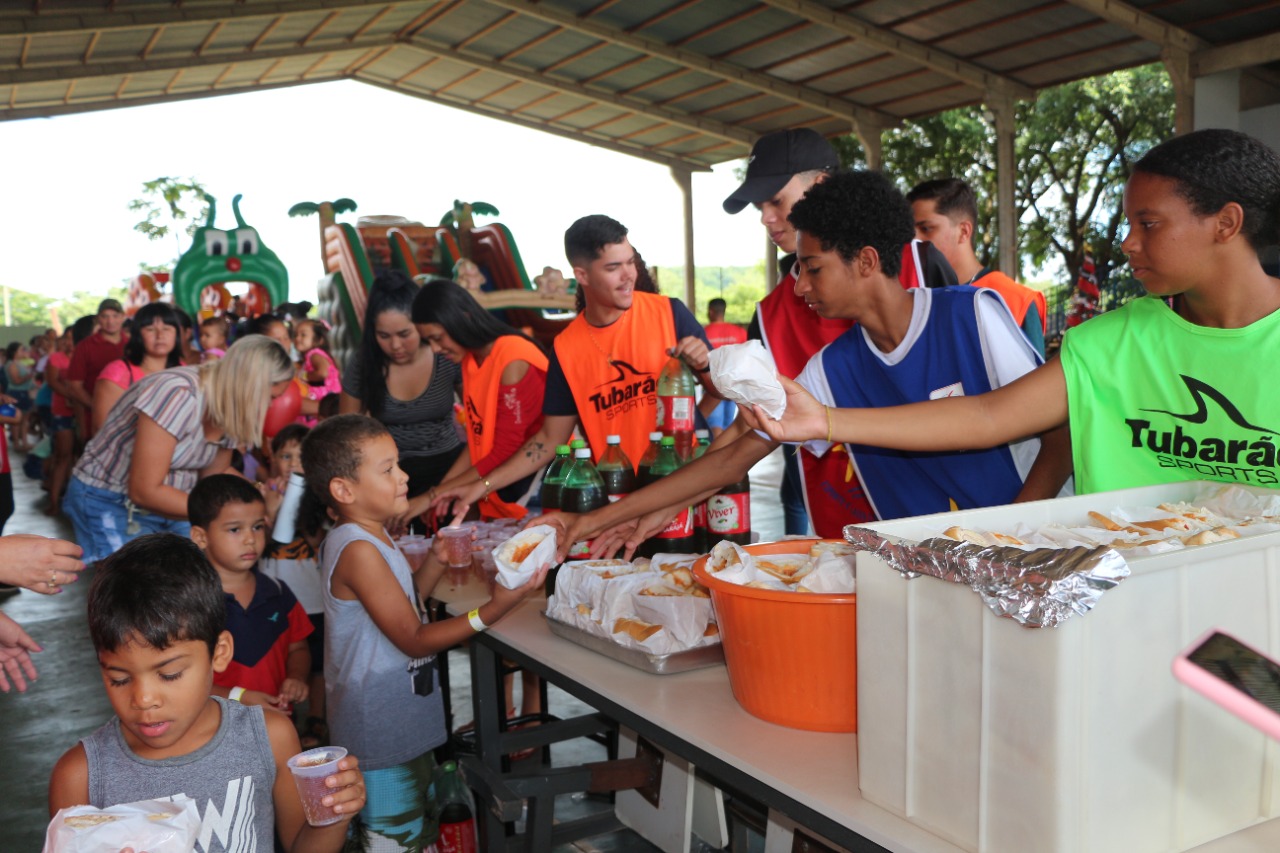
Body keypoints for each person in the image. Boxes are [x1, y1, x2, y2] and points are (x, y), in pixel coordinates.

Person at [553, 170, 1069, 558]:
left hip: (1027, 551)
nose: (799, 288)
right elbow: (731, 457)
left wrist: (1014, 533)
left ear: (866, 262)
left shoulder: (971, 315)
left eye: (813, 269)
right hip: (929, 570)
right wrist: (609, 516)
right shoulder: (830, 369)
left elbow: (1061, 433)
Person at [746, 129, 1280, 497]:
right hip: (1130, 620)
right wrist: (827, 421)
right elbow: (987, 415)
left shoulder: (979, 309)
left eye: (1149, 224)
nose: (1127, 243)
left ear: (1225, 224)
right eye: (1128, 224)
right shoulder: (1108, 343)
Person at [302, 414, 545, 851]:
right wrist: (493, 609)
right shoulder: (357, 548)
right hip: (380, 737)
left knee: (416, 834)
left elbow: (401, 602)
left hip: (400, 726)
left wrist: (434, 558)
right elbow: (411, 636)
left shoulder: (371, 536)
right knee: (396, 839)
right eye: (388, 469)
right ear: (344, 490)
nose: (404, 476)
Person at [47, 534, 366, 850]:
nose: (144, 699)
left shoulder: (269, 737)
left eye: (169, 674)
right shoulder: (80, 778)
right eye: (118, 678)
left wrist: (333, 817)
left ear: (220, 652)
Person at [722, 128, 959, 537]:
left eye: (776, 200)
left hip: (948, 516)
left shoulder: (923, 268)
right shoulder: (770, 315)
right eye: (759, 206)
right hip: (844, 533)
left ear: (821, 187)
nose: (765, 217)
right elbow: (749, 427)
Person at [433, 215, 717, 517]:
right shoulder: (566, 347)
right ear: (582, 275)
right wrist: (483, 485)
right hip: (620, 499)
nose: (628, 275)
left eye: (630, 262)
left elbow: (721, 391)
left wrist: (706, 365)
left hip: (689, 487)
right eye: (613, 267)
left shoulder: (669, 313)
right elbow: (547, 440)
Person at [63, 335, 295, 562]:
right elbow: (145, 491)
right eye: (270, 397)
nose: (270, 405)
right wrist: (236, 514)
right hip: (110, 499)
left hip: (176, 498)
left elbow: (212, 479)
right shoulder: (178, 393)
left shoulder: (233, 407)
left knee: (194, 578)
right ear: (251, 385)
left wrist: (257, 495)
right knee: (138, 588)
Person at [406, 279, 548, 522]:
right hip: (499, 484)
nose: (435, 349)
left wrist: (432, 496)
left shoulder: (512, 357)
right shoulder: (471, 359)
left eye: (438, 337)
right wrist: (441, 493)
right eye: (428, 341)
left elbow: (506, 449)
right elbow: (478, 441)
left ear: (462, 318)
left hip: (534, 488)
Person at [339, 270, 465, 509]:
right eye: (384, 335)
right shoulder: (364, 362)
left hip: (449, 472)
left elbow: (481, 420)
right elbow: (346, 434)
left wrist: (439, 494)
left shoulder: (445, 355)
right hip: (387, 475)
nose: (395, 345)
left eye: (404, 334)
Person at [189, 474, 312, 716]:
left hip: (278, 723)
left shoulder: (277, 591)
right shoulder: (188, 604)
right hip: (216, 729)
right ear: (201, 537)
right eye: (235, 529)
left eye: (257, 527)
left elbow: (299, 648)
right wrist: (239, 697)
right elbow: (179, 681)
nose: (250, 539)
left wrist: (296, 677)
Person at [908, 177, 1048, 355]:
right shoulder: (912, 300)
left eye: (926, 229)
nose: (914, 240)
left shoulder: (1012, 300)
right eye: (910, 232)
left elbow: (1036, 381)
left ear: (964, 231)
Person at [260, 423, 330, 746]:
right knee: (280, 658)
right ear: (271, 457)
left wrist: (302, 497)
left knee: (318, 663)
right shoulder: (263, 495)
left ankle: (316, 720)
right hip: (275, 599)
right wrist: (273, 506)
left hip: (312, 599)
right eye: (286, 456)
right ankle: (280, 720)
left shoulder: (317, 499)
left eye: (301, 457)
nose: (293, 464)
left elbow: (316, 538)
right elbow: (269, 538)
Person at [92, 301, 183, 434]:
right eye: (150, 330)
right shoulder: (117, 374)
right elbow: (102, 431)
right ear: (138, 335)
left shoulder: (183, 369)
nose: (160, 336)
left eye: (167, 329)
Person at [66, 298, 128, 441]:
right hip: (96, 420)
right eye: (105, 316)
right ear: (98, 319)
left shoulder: (132, 344)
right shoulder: (85, 346)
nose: (110, 321)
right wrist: (99, 406)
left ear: (122, 317)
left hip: (130, 417)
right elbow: (74, 386)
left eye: (115, 316)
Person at [42, 324, 82, 516]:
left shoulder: (81, 357)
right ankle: (54, 501)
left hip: (81, 412)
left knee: (78, 458)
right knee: (63, 456)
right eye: (66, 338)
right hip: (63, 412)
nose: (69, 342)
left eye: (72, 337)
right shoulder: (56, 358)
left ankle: (70, 501)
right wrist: (75, 395)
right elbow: (52, 382)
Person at [702, 297, 747, 436]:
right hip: (733, 383)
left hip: (712, 384)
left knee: (715, 424)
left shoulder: (703, 332)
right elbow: (745, 358)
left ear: (710, 312)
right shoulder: (739, 332)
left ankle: (716, 455)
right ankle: (725, 453)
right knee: (728, 424)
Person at [293, 318, 342, 427]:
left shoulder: (314, 354)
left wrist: (304, 376)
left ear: (319, 340)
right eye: (295, 334)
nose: (297, 338)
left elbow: (323, 373)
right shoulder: (309, 357)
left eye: (303, 335)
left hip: (323, 399)